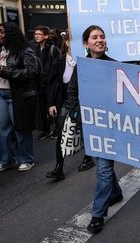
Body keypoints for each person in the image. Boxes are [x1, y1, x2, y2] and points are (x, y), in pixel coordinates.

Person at [61, 25, 123, 234]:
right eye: (95, 37)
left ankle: (98, 214)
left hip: (108, 127)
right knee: (101, 163)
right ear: (86, 43)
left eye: (102, 37)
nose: (99, 40)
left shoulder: (115, 67)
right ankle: (115, 192)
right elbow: (72, 92)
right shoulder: (81, 67)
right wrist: (76, 113)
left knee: (103, 168)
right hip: (89, 125)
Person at [44, 32, 94, 181]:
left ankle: (88, 157)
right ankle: (59, 167)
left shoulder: (88, 61)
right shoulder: (59, 61)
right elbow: (51, 83)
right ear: (66, 43)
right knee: (61, 132)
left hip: (85, 100)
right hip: (66, 100)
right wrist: (51, 103)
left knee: (86, 130)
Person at [0, 22, 39, 173]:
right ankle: (6, 160)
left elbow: (32, 72)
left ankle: (26, 159)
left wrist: (6, 72)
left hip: (18, 95)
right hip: (0, 94)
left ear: (11, 33)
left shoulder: (24, 51)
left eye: (1, 32)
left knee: (21, 129)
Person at [33, 25, 61, 139]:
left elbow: (57, 66)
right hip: (40, 83)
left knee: (52, 105)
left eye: (39, 34)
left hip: (51, 82)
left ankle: (56, 129)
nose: (36, 36)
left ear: (46, 36)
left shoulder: (52, 48)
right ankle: (46, 130)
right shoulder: (34, 49)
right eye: (35, 34)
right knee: (42, 106)